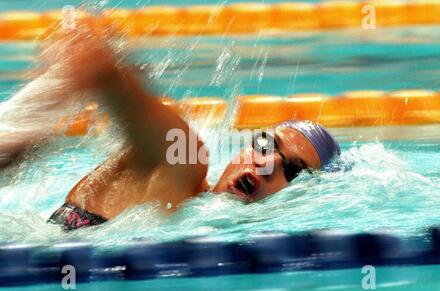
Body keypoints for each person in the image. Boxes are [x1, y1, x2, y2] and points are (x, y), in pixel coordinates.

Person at [0, 28, 340, 231]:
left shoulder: (198, 224)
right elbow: (95, 61)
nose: (269, 164)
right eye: (266, 144)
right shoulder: (185, 159)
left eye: (294, 170)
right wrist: (18, 132)